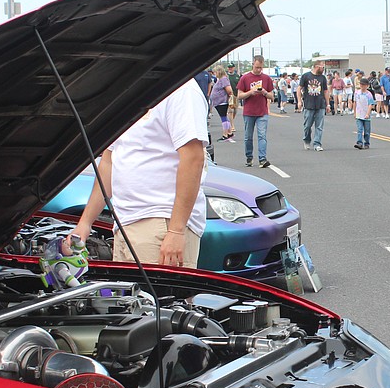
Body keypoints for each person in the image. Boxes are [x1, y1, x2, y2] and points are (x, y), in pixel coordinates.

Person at [73, 79, 209, 268]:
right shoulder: (128, 90)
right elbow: (109, 162)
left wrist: (176, 232)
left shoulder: (181, 89)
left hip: (162, 223)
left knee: (161, 297)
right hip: (124, 224)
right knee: (127, 297)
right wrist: (85, 223)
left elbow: (193, 159)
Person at [238, 55, 275, 168]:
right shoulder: (245, 78)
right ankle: (249, 157)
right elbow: (239, 96)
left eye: (261, 67)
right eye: (257, 67)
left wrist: (264, 92)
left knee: (262, 135)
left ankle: (262, 159)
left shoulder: (266, 79)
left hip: (262, 112)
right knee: (248, 136)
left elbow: (272, 96)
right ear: (253, 64)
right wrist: (251, 92)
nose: (259, 70)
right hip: (249, 112)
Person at [299, 60, 329, 152]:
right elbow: (299, 88)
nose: (323, 69)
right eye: (322, 67)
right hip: (309, 104)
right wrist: (299, 101)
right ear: (317, 66)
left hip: (320, 104)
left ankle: (317, 143)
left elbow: (325, 91)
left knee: (319, 126)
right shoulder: (306, 76)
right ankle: (306, 139)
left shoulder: (323, 78)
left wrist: (327, 104)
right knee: (307, 125)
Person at [208, 65, 235, 141]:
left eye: (215, 72)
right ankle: (229, 133)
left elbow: (229, 90)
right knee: (224, 118)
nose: (214, 74)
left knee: (223, 118)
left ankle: (225, 134)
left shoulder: (223, 79)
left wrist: (229, 97)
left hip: (222, 102)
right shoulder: (220, 79)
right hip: (219, 102)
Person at [353, 76, 373, 149]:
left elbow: (370, 104)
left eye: (364, 85)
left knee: (367, 131)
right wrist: (354, 112)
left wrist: (368, 113)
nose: (362, 86)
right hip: (359, 114)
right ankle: (359, 142)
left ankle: (367, 143)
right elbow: (355, 102)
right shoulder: (357, 93)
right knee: (360, 129)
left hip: (366, 114)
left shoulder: (369, 94)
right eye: (361, 85)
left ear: (367, 86)